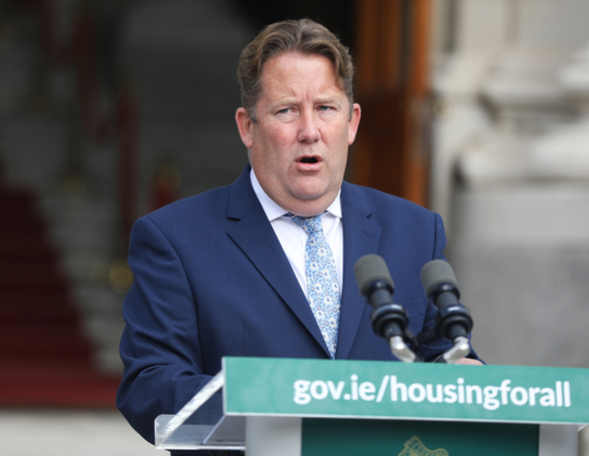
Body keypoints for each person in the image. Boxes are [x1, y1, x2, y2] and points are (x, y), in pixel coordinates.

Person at [117, 18, 480, 452]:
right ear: (247, 126)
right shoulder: (175, 239)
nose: (309, 130)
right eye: (287, 110)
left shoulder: (416, 231)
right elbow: (151, 384)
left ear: (352, 122)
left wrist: (472, 382)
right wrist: (278, 405)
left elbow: (449, 357)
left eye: (326, 108)